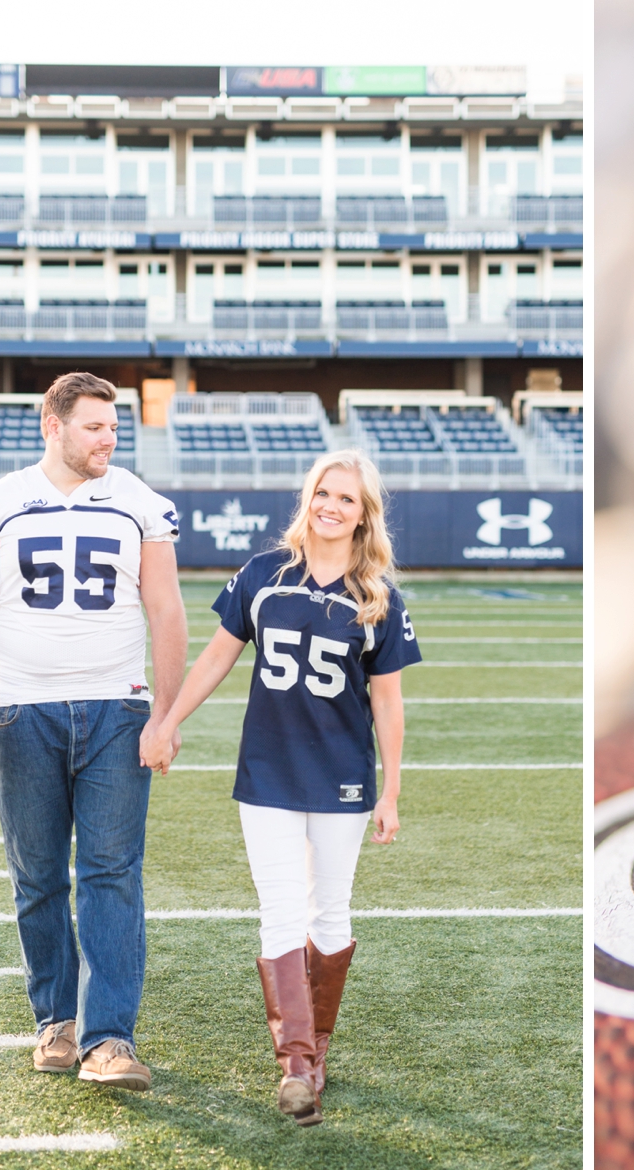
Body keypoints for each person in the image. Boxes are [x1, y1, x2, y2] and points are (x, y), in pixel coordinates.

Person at [140, 449, 419, 1126]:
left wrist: (391, 791)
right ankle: (294, 1063)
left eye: (346, 499)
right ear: (309, 498)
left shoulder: (379, 594)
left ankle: (316, 1053)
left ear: (363, 515)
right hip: (267, 769)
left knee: (331, 912)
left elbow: (388, 703)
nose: (331, 506)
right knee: (280, 910)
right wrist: (167, 720)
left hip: (343, 773)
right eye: (323, 493)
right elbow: (216, 657)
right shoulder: (265, 574)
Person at [0, 371, 187, 1092]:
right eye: (93, 427)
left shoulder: (140, 503)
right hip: (22, 711)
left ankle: (109, 1038)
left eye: (114, 427)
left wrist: (168, 715)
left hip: (118, 707)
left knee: (112, 874)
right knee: (38, 874)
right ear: (53, 426)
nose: (108, 439)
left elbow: (167, 611)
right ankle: (56, 1020)